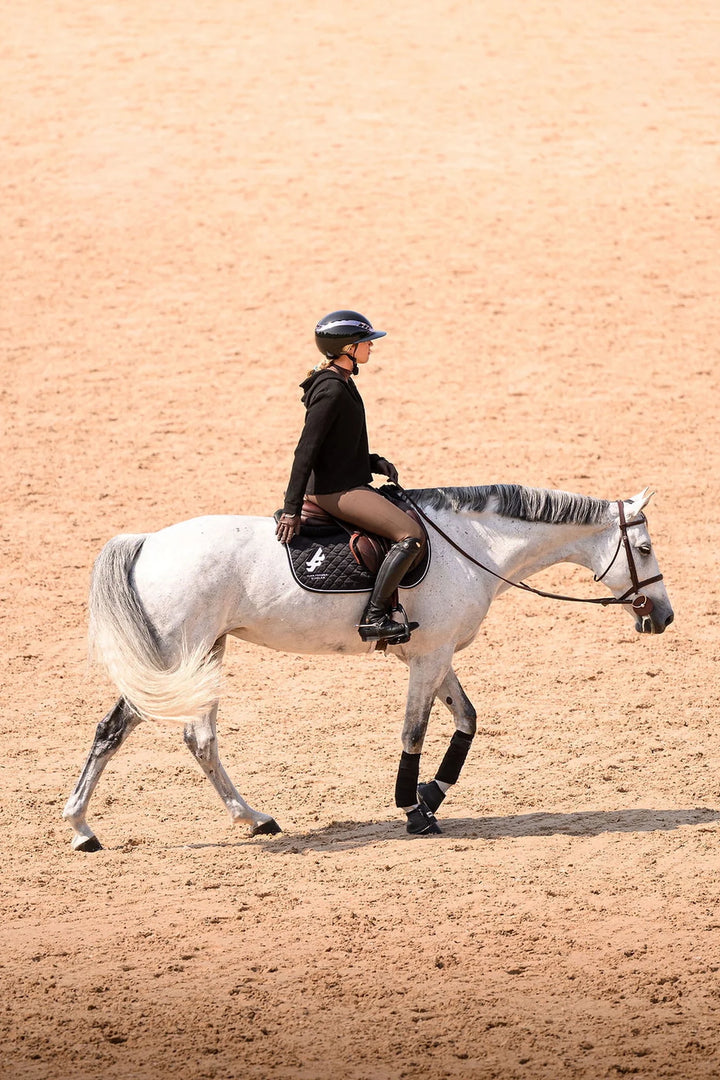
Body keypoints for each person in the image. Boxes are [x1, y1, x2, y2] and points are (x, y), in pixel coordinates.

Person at [276, 309, 426, 643]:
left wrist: (372, 462)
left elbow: (340, 442)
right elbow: (307, 451)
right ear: (348, 348)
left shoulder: (344, 380)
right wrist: (291, 507)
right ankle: (374, 617)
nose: (371, 347)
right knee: (410, 535)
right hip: (334, 491)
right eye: (365, 342)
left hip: (348, 479)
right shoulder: (331, 390)